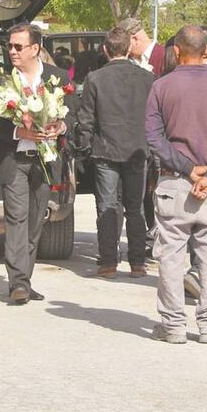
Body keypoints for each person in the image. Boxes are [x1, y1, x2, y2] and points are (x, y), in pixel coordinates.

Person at [145, 25, 207, 345]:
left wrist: (189, 170)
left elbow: (154, 139)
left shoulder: (161, 86)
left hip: (175, 182)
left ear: (176, 51)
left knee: (171, 256)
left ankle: (173, 325)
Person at [0, 22, 74, 305]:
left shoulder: (57, 77)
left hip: (45, 160)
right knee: (17, 219)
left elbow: (76, 114)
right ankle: (18, 283)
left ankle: (25, 277)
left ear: (35, 48)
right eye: (9, 46)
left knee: (36, 221)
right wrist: (17, 131)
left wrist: (61, 126)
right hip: (15, 160)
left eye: (18, 46)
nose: (12, 51)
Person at [75, 26, 155, 279]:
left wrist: (82, 149)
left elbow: (86, 118)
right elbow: (154, 118)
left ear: (105, 50)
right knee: (136, 208)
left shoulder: (95, 78)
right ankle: (137, 263)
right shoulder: (147, 78)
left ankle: (108, 262)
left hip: (105, 150)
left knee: (107, 206)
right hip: (138, 150)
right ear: (130, 48)